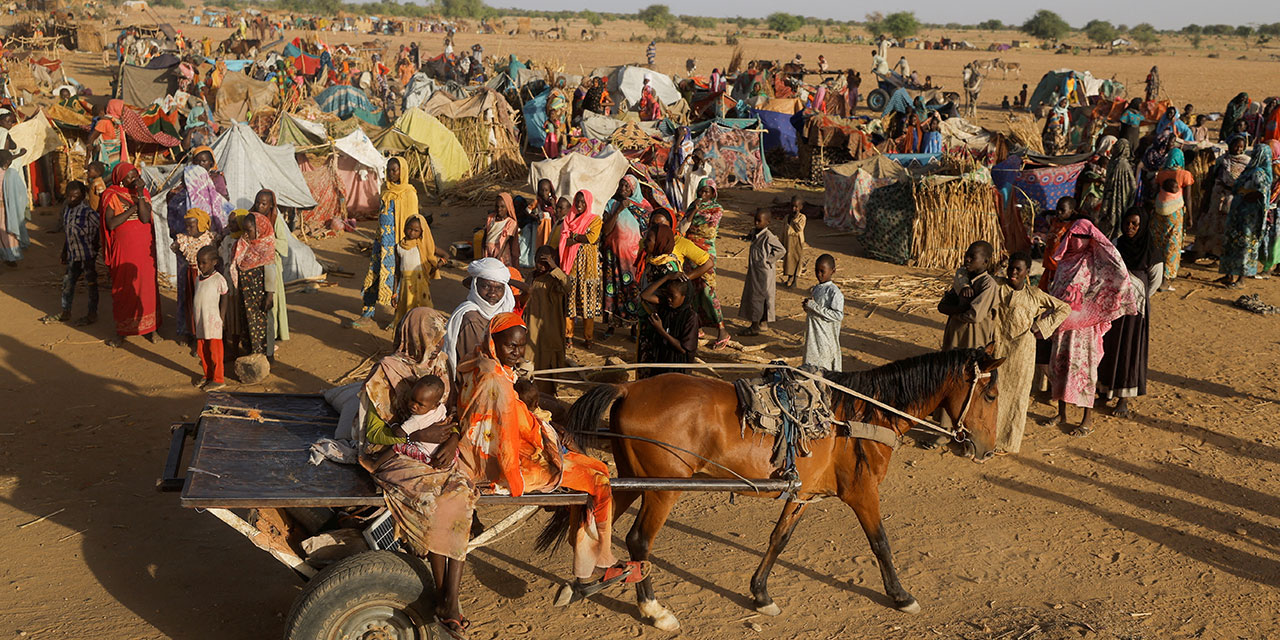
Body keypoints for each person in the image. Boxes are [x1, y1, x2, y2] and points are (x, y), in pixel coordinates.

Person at [455, 313, 622, 598]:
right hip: (507, 462)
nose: (517, 352)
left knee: (597, 469)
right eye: (510, 346)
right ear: (493, 342)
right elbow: (511, 435)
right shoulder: (497, 382)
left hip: (493, 449)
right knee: (599, 478)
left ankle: (588, 562)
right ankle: (598, 560)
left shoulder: (480, 362)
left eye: (521, 346)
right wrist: (544, 441)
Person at [358, 308, 475, 638]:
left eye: (439, 342)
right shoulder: (386, 370)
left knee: (461, 498)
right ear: (414, 338)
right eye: (433, 341)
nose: (437, 348)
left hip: (438, 451)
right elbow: (373, 433)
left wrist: (452, 440)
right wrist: (415, 435)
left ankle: (450, 598)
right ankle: (444, 596)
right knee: (431, 503)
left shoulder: (439, 366)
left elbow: (453, 413)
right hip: (396, 452)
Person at [1045, 217, 1140, 435]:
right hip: (1062, 326)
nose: (1079, 240)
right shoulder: (1065, 261)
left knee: (1085, 372)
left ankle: (1087, 419)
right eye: (1075, 236)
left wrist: (1091, 312)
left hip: (1085, 329)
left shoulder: (1096, 262)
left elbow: (1114, 280)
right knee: (1059, 368)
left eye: (1084, 237)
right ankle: (1061, 413)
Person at [991, 253, 1070, 455]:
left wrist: (1041, 326)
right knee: (995, 392)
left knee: (1016, 397)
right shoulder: (998, 286)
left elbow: (1064, 308)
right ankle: (989, 438)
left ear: (1027, 272)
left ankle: (1008, 442)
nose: (1013, 272)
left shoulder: (1034, 294)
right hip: (998, 347)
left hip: (1022, 352)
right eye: (1011, 268)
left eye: (1018, 269)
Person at [1098, 210, 1160, 419]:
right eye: (1127, 223)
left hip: (1135, 310)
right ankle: (1104, 390)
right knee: (1109, 346)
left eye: (1135, 224)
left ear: (1142, 226)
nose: (1130, 227)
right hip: (1113, 307)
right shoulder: (1116, 244)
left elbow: (1155, 281)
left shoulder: (1150, 250)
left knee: (1128, 349)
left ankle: (1123, 398)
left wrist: (1134, 295)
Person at [100, 162, 159, 346]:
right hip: (124, 250)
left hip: (144, 250)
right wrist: (133, 208)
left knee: (147, 287)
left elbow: (145, 218)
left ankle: (151, 328)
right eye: (130, 176)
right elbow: (111, 223)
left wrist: (139, 195)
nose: (135, 179)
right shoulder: (111, 195)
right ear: (121, 179)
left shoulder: (144, 193)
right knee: (124, 287)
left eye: (136, 175)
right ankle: (123, 331)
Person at [358, 157, 419, 326]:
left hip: (398, 243)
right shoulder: (385, 189)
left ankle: (398, 317)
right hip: (381, 242)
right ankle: (367, 313)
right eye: (389, 170)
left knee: (398, 279)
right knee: (374, 275)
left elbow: (412, 221)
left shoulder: (409, 194)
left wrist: (406, 245)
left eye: (395, 170)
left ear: (402, 171)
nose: (391, 173)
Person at [678, 179, 730, 347]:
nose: (703, 195)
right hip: (689, 252)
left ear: (713, 193)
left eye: (707, 192)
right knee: (692, 289)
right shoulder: (693, 205)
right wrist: (693, 211)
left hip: (706, 253)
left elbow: (709, 230)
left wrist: (692, 224)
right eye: (701, 191)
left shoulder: (717, 209)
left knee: (708, 290)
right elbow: (682, 229)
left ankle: (722, 329)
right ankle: (697, 326)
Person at [444, 258, 516, 373]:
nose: (492, 293)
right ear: (475, 286)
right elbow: (479, 363)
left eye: (498, 288)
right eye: (486, 286)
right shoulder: (472, 319)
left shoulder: (503, 313)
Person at [41, 181, 98, 325]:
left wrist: (96, 245)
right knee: (67, 284)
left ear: (82, 196)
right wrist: (64, 251)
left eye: (76, 196)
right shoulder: (67, 210)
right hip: (73, 256)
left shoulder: (88, 212)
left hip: (87, 256)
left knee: (91, 285)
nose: (72, 199)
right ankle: (66, 312)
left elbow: (100, 228)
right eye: (69, 196)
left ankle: (92, 314)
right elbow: (68, 234)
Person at [1218, 144, 1274, 288]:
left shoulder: (1259, 173)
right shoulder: (1250, 170)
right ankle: (1229, 274)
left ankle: (1241, 279)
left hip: (1249, 217)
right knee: (1232, 242)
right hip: (1238, 213)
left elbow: (1259, 194)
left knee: (1245, 245)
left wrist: (1243, 194)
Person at [601, 176, 650, 333]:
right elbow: (606, 230)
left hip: (633, 258)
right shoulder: (612, 204)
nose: (623, 189)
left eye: (627, 186)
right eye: (621, 185)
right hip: (613, 256)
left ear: (634, 189)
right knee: (614, 289)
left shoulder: (645, 207)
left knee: (633, 289)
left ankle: (634, 326)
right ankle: (612, 325)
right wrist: (619, 210)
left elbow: (648, 234)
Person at [554, 191, 602, 348]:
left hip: (588, 268)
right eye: (577, 201)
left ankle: (588, 337)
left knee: (588, 303)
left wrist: (573, 238)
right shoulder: (569, 219)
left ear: (588, 202)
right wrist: (578, 238)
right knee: (570, 302)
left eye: (583, 202)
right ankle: (568, 336)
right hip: (572, 266)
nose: (580, 205)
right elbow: (565, 238)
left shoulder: (595, 219)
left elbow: (591, 238)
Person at [1191, 135, 1250, 261]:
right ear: (1229, 146)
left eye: (1241, 147)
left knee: (1226, 227)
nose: (1238, 149)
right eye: (1236, 146)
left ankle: (1220, 256)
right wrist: (1206, 200)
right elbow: (1211, 179)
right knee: (1212, 225)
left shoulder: (1247, 163)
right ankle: (1210, 252)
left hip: (1234, 200)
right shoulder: (1222, 161)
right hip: (1217, 197)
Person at [229, 213, 278, 360]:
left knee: (262, 322)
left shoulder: (266, 245)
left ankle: (266, 354)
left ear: (259, 229)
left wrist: (269, 295)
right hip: (246, 293)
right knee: (247, 321)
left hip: (260, 294)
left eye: (249, 230)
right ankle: (251, 350)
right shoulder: (244, 243)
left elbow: (270, 272)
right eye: (244, 230)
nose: (246, 234)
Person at [940, 241, 998, 351]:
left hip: (973, 339)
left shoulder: (988, 284)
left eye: (972, 257)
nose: (967, 259)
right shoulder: (961, 278)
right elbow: (942, 306)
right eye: (966, 255)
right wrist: (960, 309)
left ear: (985, 261)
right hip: (954, 336)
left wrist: (954, 311)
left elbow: (974, 316)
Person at [525, 246, 568, 393]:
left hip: (550, 329)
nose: (542, 266)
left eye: (546, 262)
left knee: (549, 363)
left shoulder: (554, 280)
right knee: (529, 362)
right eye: (540, 261)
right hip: (531, 328)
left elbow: (567, 286)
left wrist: (554, 268)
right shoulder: (531, 277)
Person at [638, 272, 698, 377]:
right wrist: (666, 277)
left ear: (684, 297)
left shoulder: (690, 317)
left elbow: (683, 349)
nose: (669, 299)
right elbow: (645, 295)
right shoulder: (666, 306)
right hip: (661, 360)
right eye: (667, 295)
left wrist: (661, 331)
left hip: (678, 368)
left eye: (673, 296)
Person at [250, 189, 290, 344]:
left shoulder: (275, 220)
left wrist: (267, 241)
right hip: (254, 265)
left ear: (271, 205)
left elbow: (283, 244)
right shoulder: (251, 217)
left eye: (263, 204)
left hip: (271, 264)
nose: (259, 206)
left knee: (272, 299)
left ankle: (273, 333)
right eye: (257, 203)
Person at [172, 208, 216, 343]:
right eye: (186, 226)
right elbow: (174, 248)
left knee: (205, 305)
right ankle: (190, 332)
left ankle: (203, 336)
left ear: (201, 224)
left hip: (206, 278)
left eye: (191, 226)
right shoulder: (184, 240)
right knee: (191, 304)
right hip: (190, 276)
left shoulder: (209, 239)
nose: (188, 229)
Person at [739, 209, 785, 337]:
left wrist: (768, 260)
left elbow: (781, 250)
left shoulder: (768, 236)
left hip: (763, 273)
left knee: (757, 298)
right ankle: (763, 323)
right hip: (755, 271)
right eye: (755, 220)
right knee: (762, 297)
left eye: (759, 221)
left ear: (767, 222)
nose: (756, 223)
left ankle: (755, 326)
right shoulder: (755, 233)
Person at [393, 214, 442, 329]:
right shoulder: (399, 247)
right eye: (409, 229)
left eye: (416, 230)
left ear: (421, 232)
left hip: (421, 286)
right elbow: (397, 272)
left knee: (424, 312)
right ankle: (408, 335)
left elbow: (445, 255)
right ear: (404, 228)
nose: (412, 232)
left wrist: (437, 266)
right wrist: (394, 293)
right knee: (406, 314)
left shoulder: (423, 246)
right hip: (405, 287)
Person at [191, 245, 228, 391]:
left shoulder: (219, 279)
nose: (201, 266)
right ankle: (208, 375)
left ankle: (218, 379)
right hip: (201, 321)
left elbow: (225, 298)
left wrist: (222, 317)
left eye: (204, 263)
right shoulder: (198, 279)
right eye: (199, 262)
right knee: (202, 351)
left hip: (213, 322)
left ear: (214, 262)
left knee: (215, 352)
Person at [802, 254, 844, 371]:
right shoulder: (816, 288)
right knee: (810, 369)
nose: (819, 274)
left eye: (822, 271)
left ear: (833, 271)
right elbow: (817, 311)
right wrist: (808, 308)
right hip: (813, 336)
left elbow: (838, 316)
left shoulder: (834, 292)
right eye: (816, 271)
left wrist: (814, 306)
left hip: (825, 340)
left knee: (824, 370)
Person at [1097, 140, 1136, 238]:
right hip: (1120, 198)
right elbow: (1132, 186)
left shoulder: (1118, 163)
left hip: (1114, 198)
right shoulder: (1120, 163)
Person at [0, 149, 28, 266]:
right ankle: (11, 256)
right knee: (9, 232)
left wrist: (19, 154)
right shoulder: (11, 174)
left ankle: (5, 255)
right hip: (8, 209)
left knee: (2, 233)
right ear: (8, 161)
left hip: (2, 207)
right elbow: (21, 193)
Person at [88, 99, 129, 172]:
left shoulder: (117, 122)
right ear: (115, 108)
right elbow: (91, 138)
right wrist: (88, 157)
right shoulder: (104, 122)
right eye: (122, 108)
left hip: (115, 155)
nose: (123, 111)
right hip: (105, 156)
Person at [482, 193, 519, 266]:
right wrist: (483, 252)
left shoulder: (510, 223)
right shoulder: (490, 218)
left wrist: (498, 257)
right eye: (497, 206)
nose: (499, 209)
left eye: (502, 207)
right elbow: (485, 236)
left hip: (501, 252)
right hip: (488, 250)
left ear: (508, 207)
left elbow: (505, 242)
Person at [782, 196, 807, 288]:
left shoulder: (802, 217)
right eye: (792, 206)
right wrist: (782, 241)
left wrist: (795, 219)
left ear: (801, 207)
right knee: (789, 260)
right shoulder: (787, 217)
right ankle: (789, 278)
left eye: (796, 207)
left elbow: (799, 229)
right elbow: (783, 230)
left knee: (797, 260)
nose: (794, 209)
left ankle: (795, 281)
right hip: (788, 241)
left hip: (797, 242)